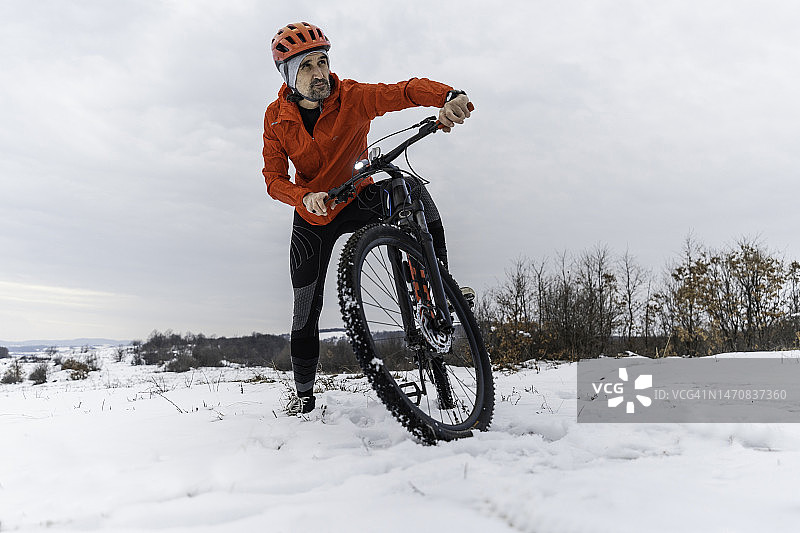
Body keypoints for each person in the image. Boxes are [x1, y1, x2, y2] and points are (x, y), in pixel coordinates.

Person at [262, 22, 472, 415]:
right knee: (305, 306)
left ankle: (438, 291)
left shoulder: (353, 97)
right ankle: (304, 399)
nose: (319, 73)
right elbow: (273, 179)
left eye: (322, 62)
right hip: (315, 213)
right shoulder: (276, 118)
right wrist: (304, 196)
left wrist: (448, 95)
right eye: (306, 66)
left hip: (359, 196)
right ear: (289, 75)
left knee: (411, 190)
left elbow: (405, 91)